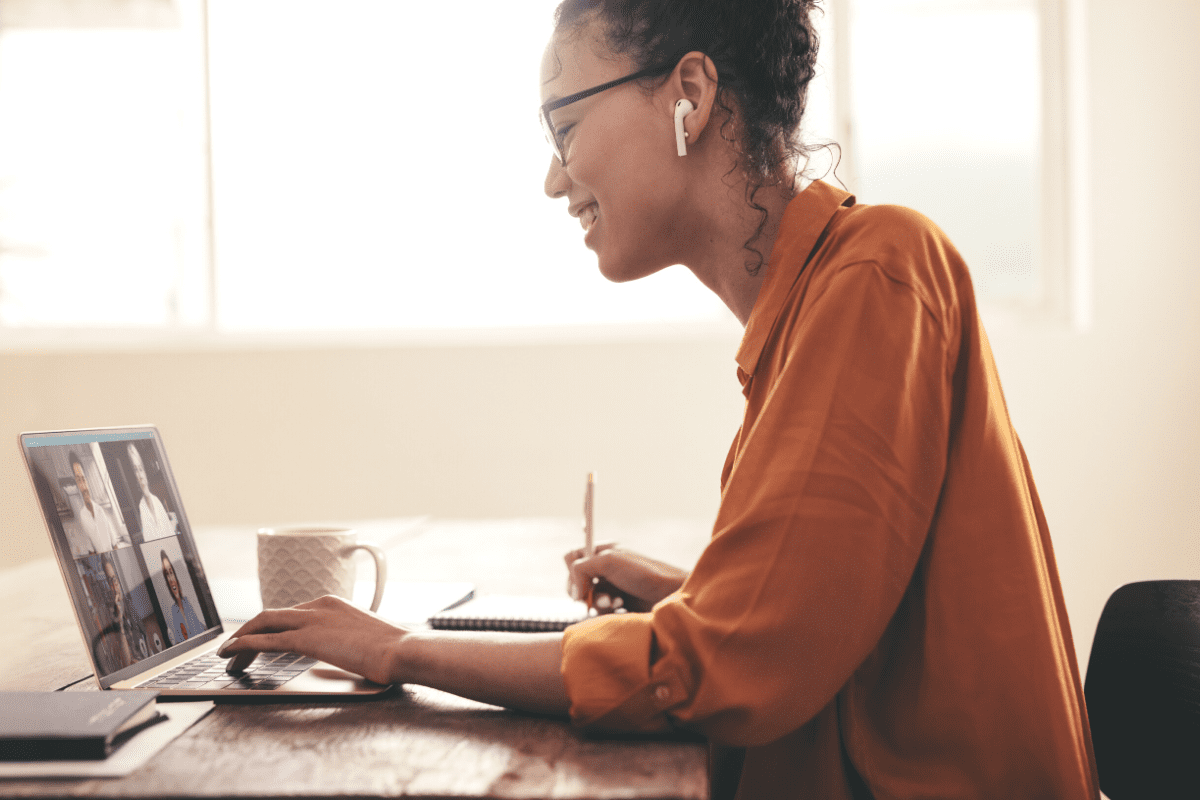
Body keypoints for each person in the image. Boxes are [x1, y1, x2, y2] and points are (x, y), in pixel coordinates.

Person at [219, 1, 1100, 797]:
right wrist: (691, 592)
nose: (554, 180)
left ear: (689, 92)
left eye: (564, 126)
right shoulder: (812, 310)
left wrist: (398, 651)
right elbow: (832, 623)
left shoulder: (878, 270)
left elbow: (725, 667)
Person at [69, 450, 128, 554]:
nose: (83, 486)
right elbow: (91, 551)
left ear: (86, 480)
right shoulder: (82, 517)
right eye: (79, 480)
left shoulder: (100, 510)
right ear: (76, 484)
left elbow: (114, 544)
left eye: (83, 479)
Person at [127, 442, 176, 541]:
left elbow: (168, 533)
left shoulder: (156, 500)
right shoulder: (142, 506)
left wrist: (173, 521)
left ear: (145, 472)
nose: (140, 476)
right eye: (135, 470)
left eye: (140, 469)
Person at [160, 550, 205, 645]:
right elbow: (179, 640)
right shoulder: (174, 609)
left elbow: (200, 629)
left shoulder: (187, 602)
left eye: (171, 572)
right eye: (167, 574)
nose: (171, 579)